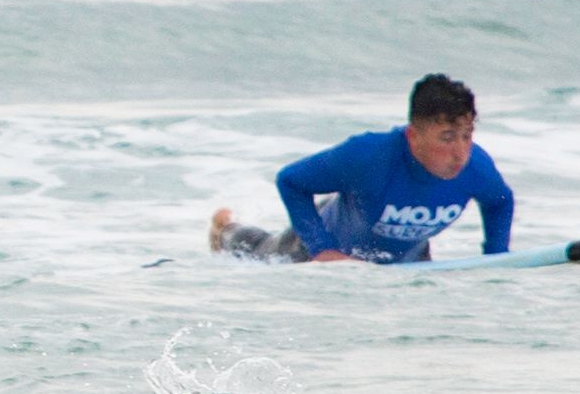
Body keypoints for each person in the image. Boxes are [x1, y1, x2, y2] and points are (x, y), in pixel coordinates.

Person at [216, 76, 513, 263]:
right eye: (447, 138)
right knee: (259, 250)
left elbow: (499, 201)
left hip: (409, 262)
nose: (460, 151)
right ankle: (224, 229)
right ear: (413, 136)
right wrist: (323, 250)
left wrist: (495, 257)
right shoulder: (369, 155)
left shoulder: (476, 166)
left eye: (467, 135)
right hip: (310, 248)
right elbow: (291, 181)